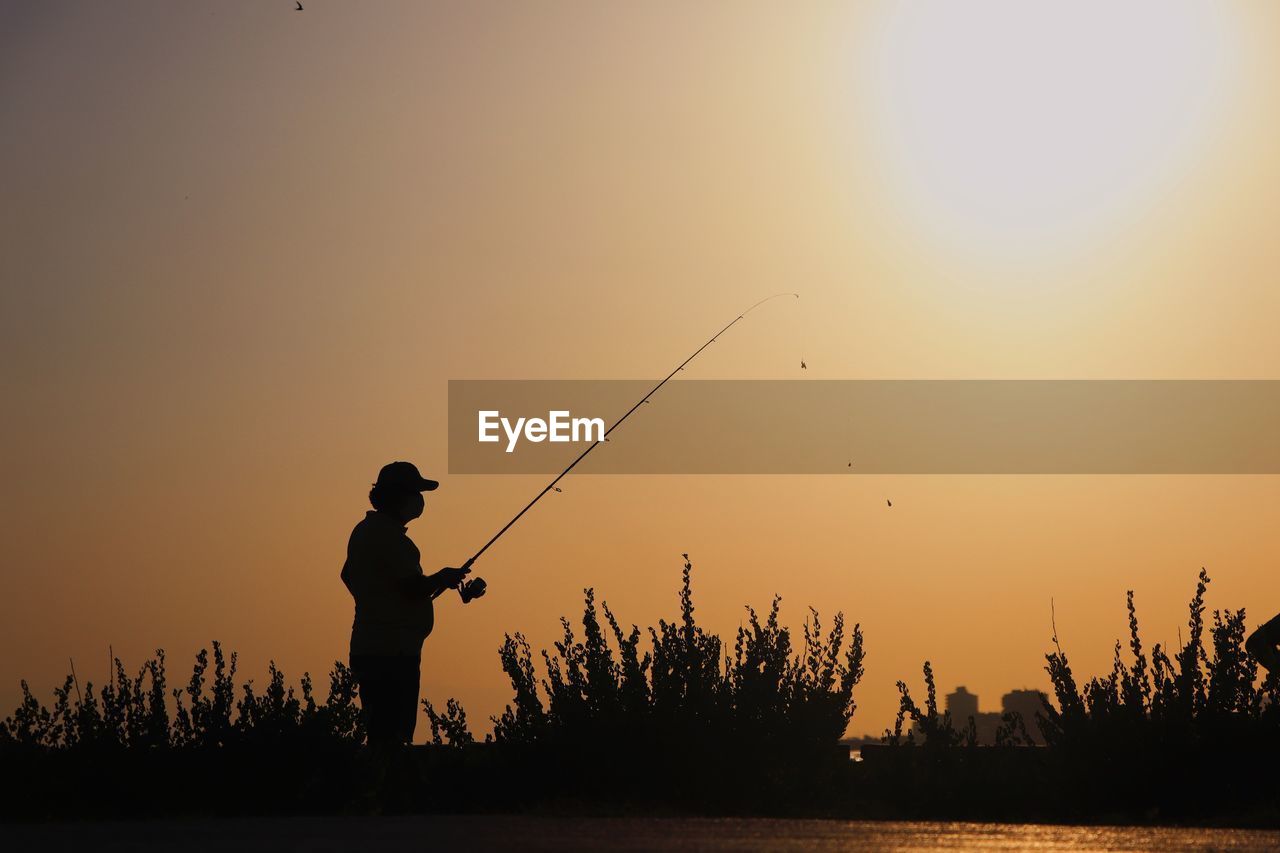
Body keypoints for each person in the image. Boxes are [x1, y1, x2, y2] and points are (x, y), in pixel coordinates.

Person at [340, 461, 481, 748]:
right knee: (395, 738)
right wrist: (441, 577)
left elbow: (348, 575)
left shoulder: (364, 530)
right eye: (416, 493)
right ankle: (391, 791)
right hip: (394, 653)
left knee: (379, 734)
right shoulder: (392, 539)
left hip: (369, 647)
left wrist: (377, 600)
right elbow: (411, 587)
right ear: (399, 496)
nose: (420, 500)